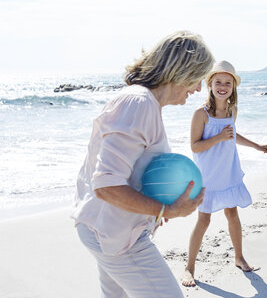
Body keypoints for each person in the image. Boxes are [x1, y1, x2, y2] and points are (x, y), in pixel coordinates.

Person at [71, 31, 214, 298]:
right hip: (114, 234)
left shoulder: (144, 103)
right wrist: (166, 209)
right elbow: (106, 185)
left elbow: (125, 175)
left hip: (107, 228)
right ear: (181, 71)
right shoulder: (138, 103)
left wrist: (154, 209)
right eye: (197, 79)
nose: (197, 89)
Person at [182, 60, 267, 287]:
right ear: (210, 84)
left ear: (233, 86)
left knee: (232, 214)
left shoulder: (232, 110)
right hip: (208, 175)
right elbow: (195, 146)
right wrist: (217, 138)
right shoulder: (200, 114)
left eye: (228, 83)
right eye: (218, 82)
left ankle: (239, 257)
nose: (223, 86)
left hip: (227, 171)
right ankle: (189, 267)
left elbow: (232, 135)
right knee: (204, 219)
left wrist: (256, 146)